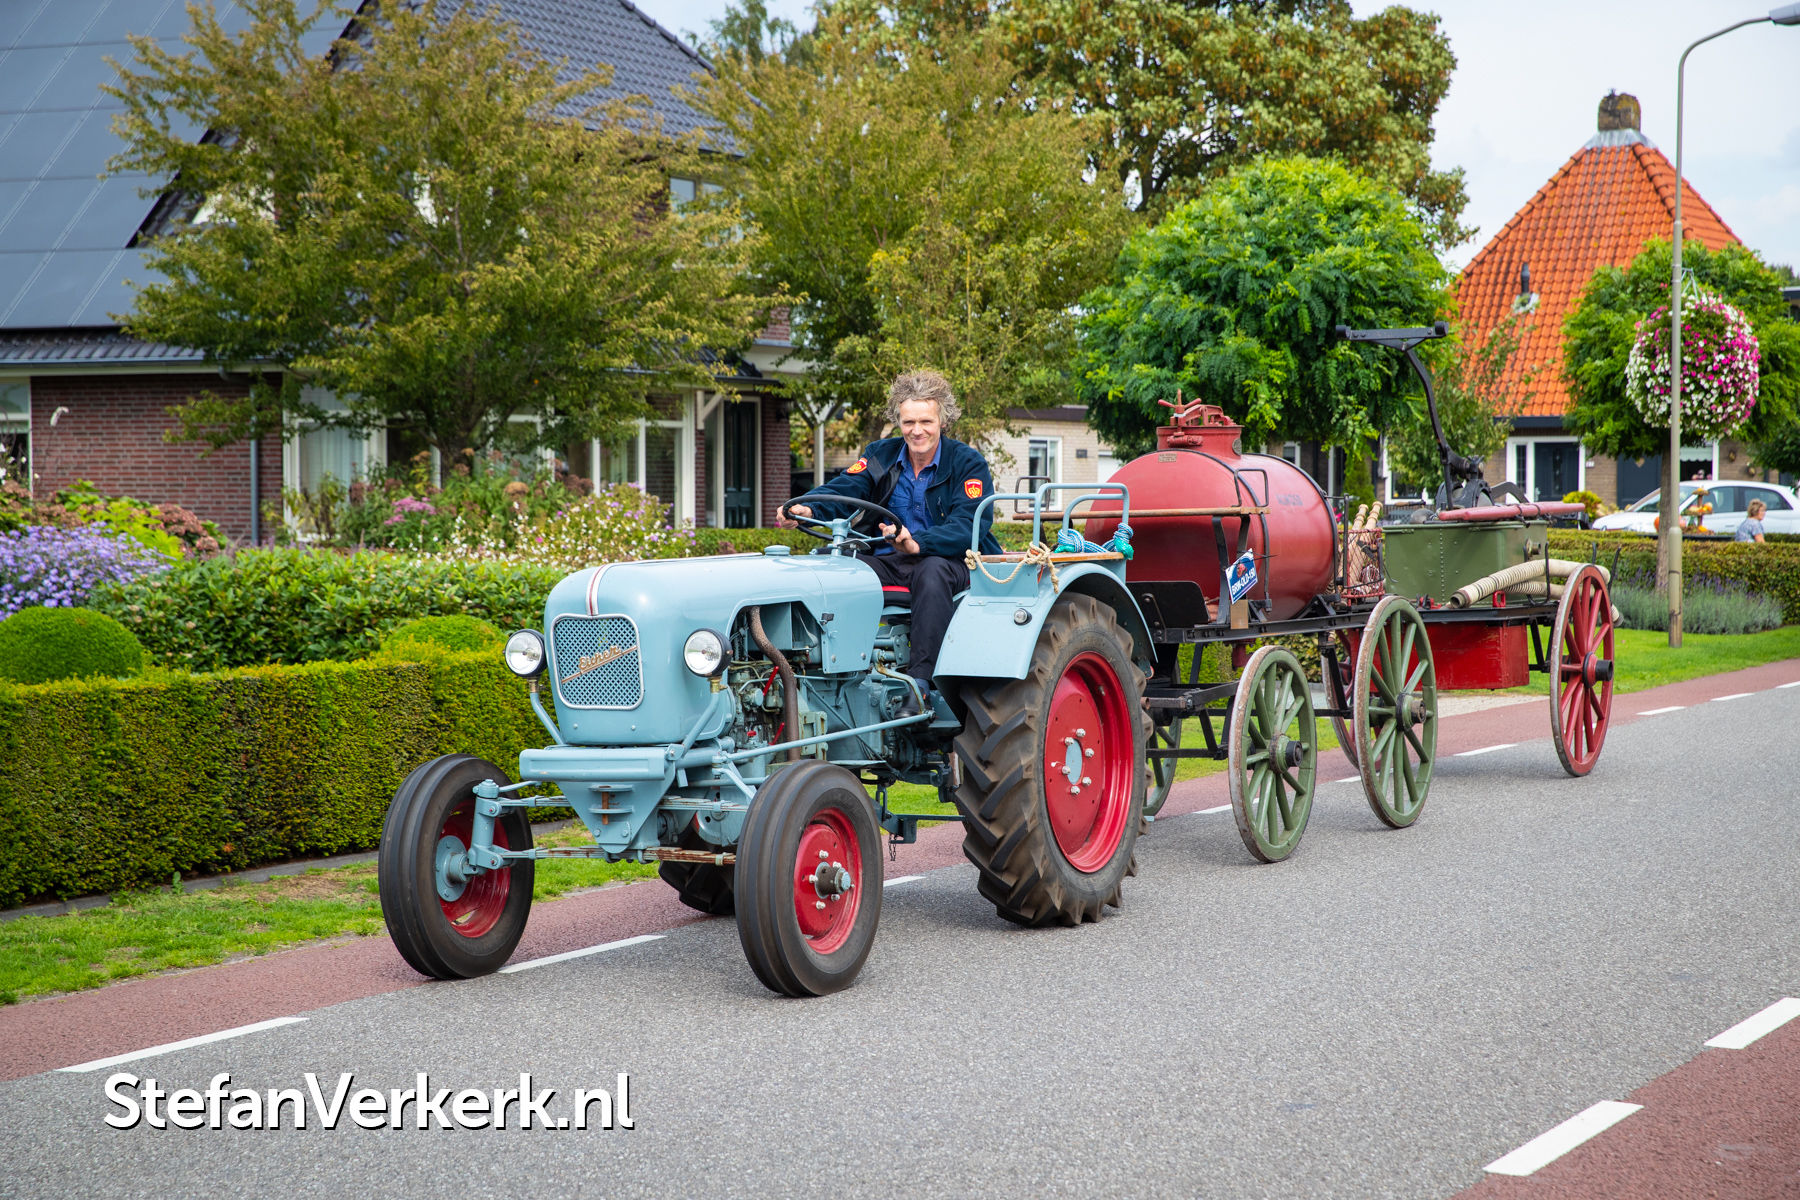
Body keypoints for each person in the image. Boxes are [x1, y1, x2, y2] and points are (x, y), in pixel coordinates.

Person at [782, 370, 1001, 712]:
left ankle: (920, 685)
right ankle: (831, 675)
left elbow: (968, 525)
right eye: (908, 421)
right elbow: (844, 489)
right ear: (897, 420)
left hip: (955, 562)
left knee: (931, 572)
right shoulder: (881, 455)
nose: (917, 430)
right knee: (833, 567)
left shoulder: (967, 462)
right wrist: (806, 505)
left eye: (926, 421)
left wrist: (918, 543)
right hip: (892, 562)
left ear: (943, 420)